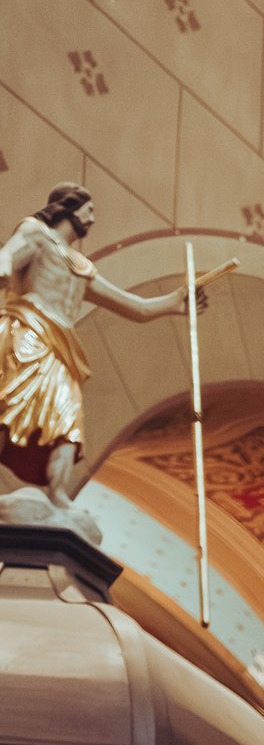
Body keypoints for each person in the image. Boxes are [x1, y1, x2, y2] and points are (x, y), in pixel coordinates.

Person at [0, 188, 227, 530]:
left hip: (62, 351)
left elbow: (133, 306)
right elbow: (8, 255)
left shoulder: (83, 268)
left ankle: (59, 494)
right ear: (67, 208)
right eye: (88, 210)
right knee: (11, 408)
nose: (92, 219)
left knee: (68, 423)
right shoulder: (36, 234)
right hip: (29, 333)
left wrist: (174, 303)